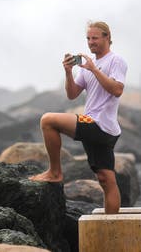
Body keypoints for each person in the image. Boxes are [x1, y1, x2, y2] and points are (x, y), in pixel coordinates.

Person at [29, 21, 127, 214]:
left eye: (95, 38)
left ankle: (55, 172)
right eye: (88, 39)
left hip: (100, 125)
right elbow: (72, 94)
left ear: (107, 37)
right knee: (106, 179)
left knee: (47, 120)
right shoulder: (86, 65)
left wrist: (94, 70)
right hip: (101, 128)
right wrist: (68, 73)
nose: (91, 43)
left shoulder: (116, 61)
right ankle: (112, 225)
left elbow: (117, 90)